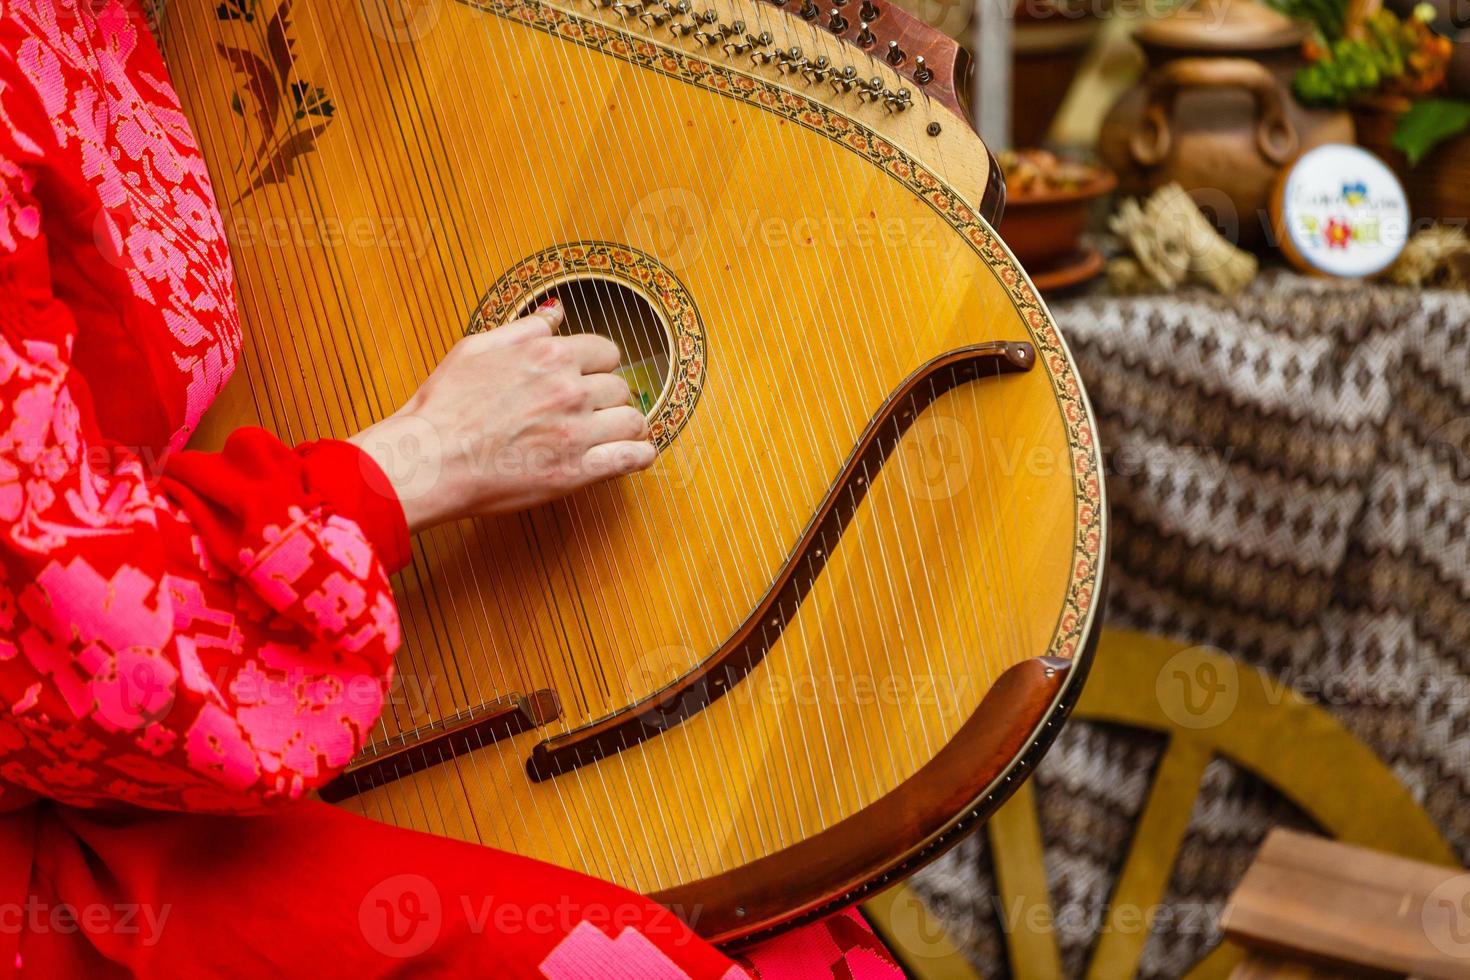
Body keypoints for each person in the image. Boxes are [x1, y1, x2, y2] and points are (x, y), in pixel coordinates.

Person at [0, 1, 905, 977]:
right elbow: (52, 620)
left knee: (798, 928)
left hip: (185, 719)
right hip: (67, 806)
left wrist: (839, 44)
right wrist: (425, 458)